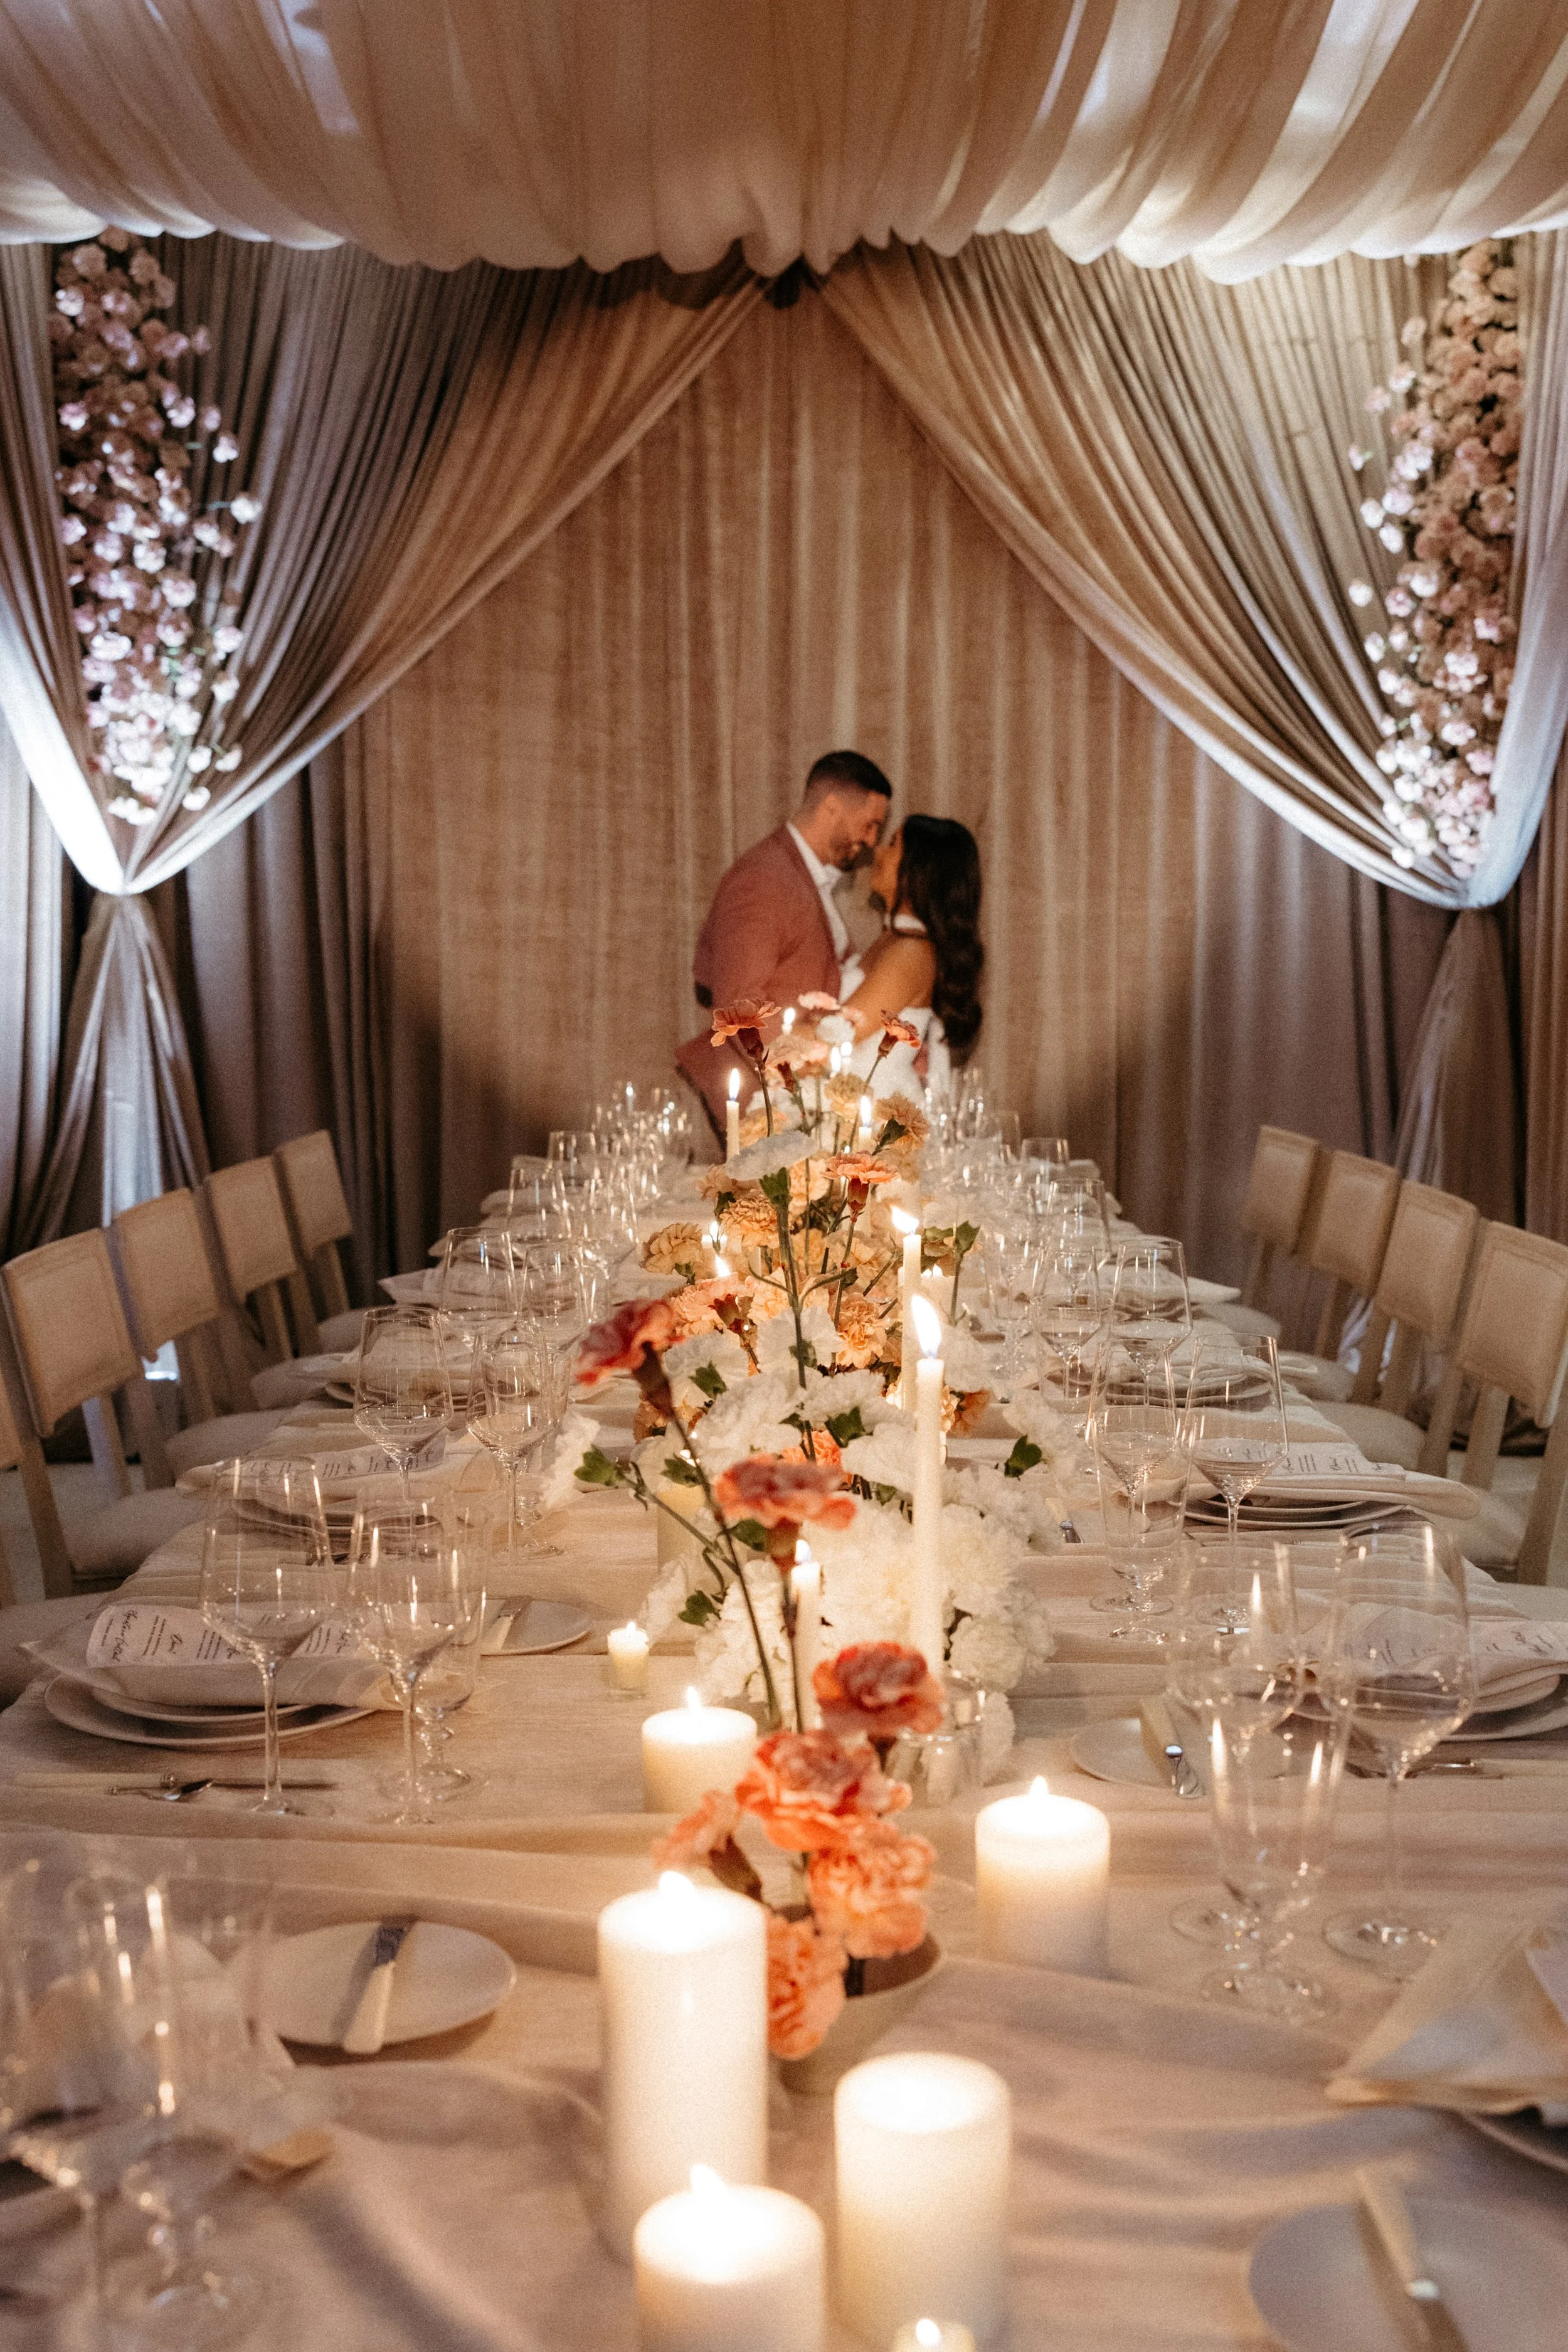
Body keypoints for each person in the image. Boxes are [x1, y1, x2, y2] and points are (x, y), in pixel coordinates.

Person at [677, 751, 893, 1131]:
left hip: (795, 1103)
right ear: (831, 807)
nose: (873, 841)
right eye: (870, 824)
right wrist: (798, 1085)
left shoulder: (801, 873)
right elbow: (740, 1006)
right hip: (766, 1105)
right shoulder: (762, 878)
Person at [837, 813, 984, 1100]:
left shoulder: (911, 953)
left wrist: (771, 1042)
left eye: (892, 844)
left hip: (878, 1120)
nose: (877, 851)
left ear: (916, 870)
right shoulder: (893, 940)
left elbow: (841, 1034)